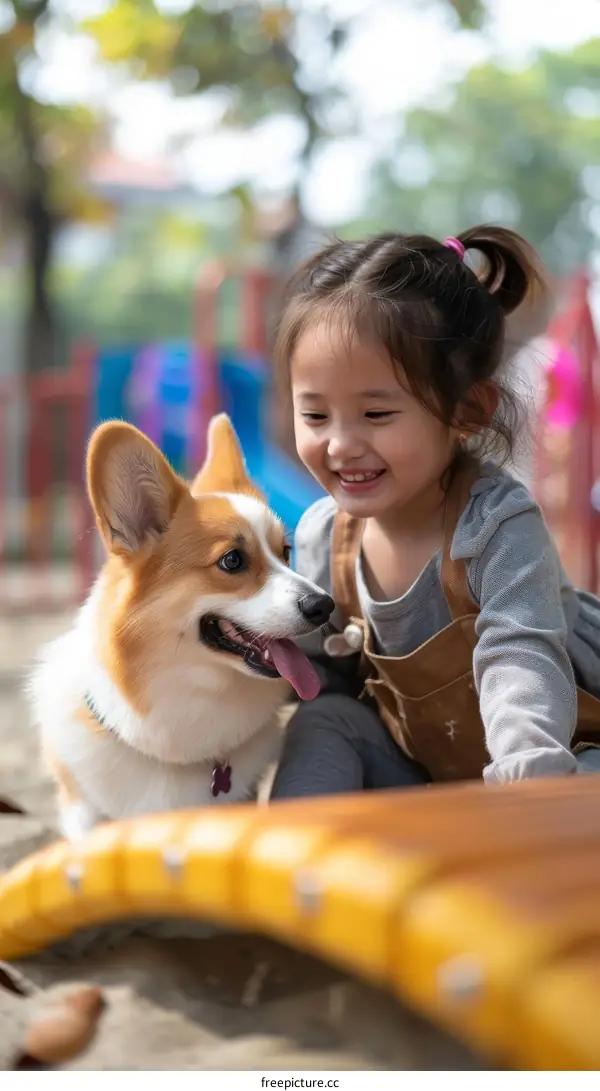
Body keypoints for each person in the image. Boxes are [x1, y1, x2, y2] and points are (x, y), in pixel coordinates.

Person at [268, 226, 600, 799]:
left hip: (562, 758)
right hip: (429, 778)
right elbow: (320, 678)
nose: (341, 444)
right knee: (324, 718)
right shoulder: (325, 536)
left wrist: (528, 788)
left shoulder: (496, 526)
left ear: (467, 410)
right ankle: (299, 855)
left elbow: (520, 657)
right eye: (316, 416)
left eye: (375, 414)